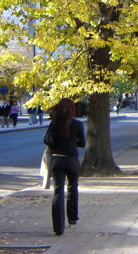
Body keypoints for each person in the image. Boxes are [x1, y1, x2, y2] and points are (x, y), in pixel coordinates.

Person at [44, 98, 86, 236]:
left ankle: (58, 226)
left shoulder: (54, 123)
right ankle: (72, 218)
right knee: (73, 188)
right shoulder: (78, 124)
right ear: (72, 110)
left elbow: (47, 140)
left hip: (57, 160)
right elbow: (82, 144)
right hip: (72, 160)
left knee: (58, 191)